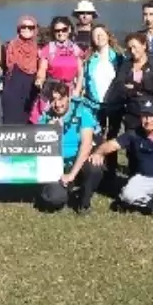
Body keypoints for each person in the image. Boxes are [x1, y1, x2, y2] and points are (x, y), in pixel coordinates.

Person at [89, 99, 153, 221]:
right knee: (127, 196)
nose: (148, 121)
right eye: (145, 116)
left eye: (151, 116)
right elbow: (112, 144)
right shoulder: (133, 134)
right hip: (145, 177)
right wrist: (98, 153)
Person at [36, 82, 104, 214]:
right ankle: (60, 191)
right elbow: (38, 150)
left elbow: (86, 145)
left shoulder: (82, 113)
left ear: (68, 97)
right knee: (54, 200)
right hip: (56, 165)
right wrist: (50, 132)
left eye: (60, 99)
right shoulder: (45, 117)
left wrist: (72, 174)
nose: (57, 104)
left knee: (95, 167)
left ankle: (84, 203)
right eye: (53, 100)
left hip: (78, 161)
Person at [107, 32, 153, 134]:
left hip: (152, 111)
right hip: (132, 112)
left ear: (144, 45)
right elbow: (119, 85)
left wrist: (134, 86)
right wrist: (138, 90)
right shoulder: (126, 65)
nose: (133, 51)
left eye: (135, 47)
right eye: (130, 48)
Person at [33, 16, 83, 119]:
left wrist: (77, 90)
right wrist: (39, 79)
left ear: (69, 29)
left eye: (63, 30)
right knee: (48, 119)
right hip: (52, 89)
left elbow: (80, 72)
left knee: (70, 119)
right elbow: (42, 69)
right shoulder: (48, 48)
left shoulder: (75, 49)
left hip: (70, 90)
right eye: (57, 31)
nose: (60, 33)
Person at [1, 15, 40, 124]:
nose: (27, 29)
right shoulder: (10, 46)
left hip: (31, 92)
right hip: (13, 90)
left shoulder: (38, 49)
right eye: (23, 27)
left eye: (30, 27)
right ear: (18, 28)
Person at [82, 24, 122, 128]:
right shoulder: (88, 59)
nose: (99, 37)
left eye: (102, 34)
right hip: (93, 106)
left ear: (108, 35)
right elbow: (83, 81)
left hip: (114, 105)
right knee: (96, 138)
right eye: (96, 35)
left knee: (112, 138)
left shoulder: (119, 58)